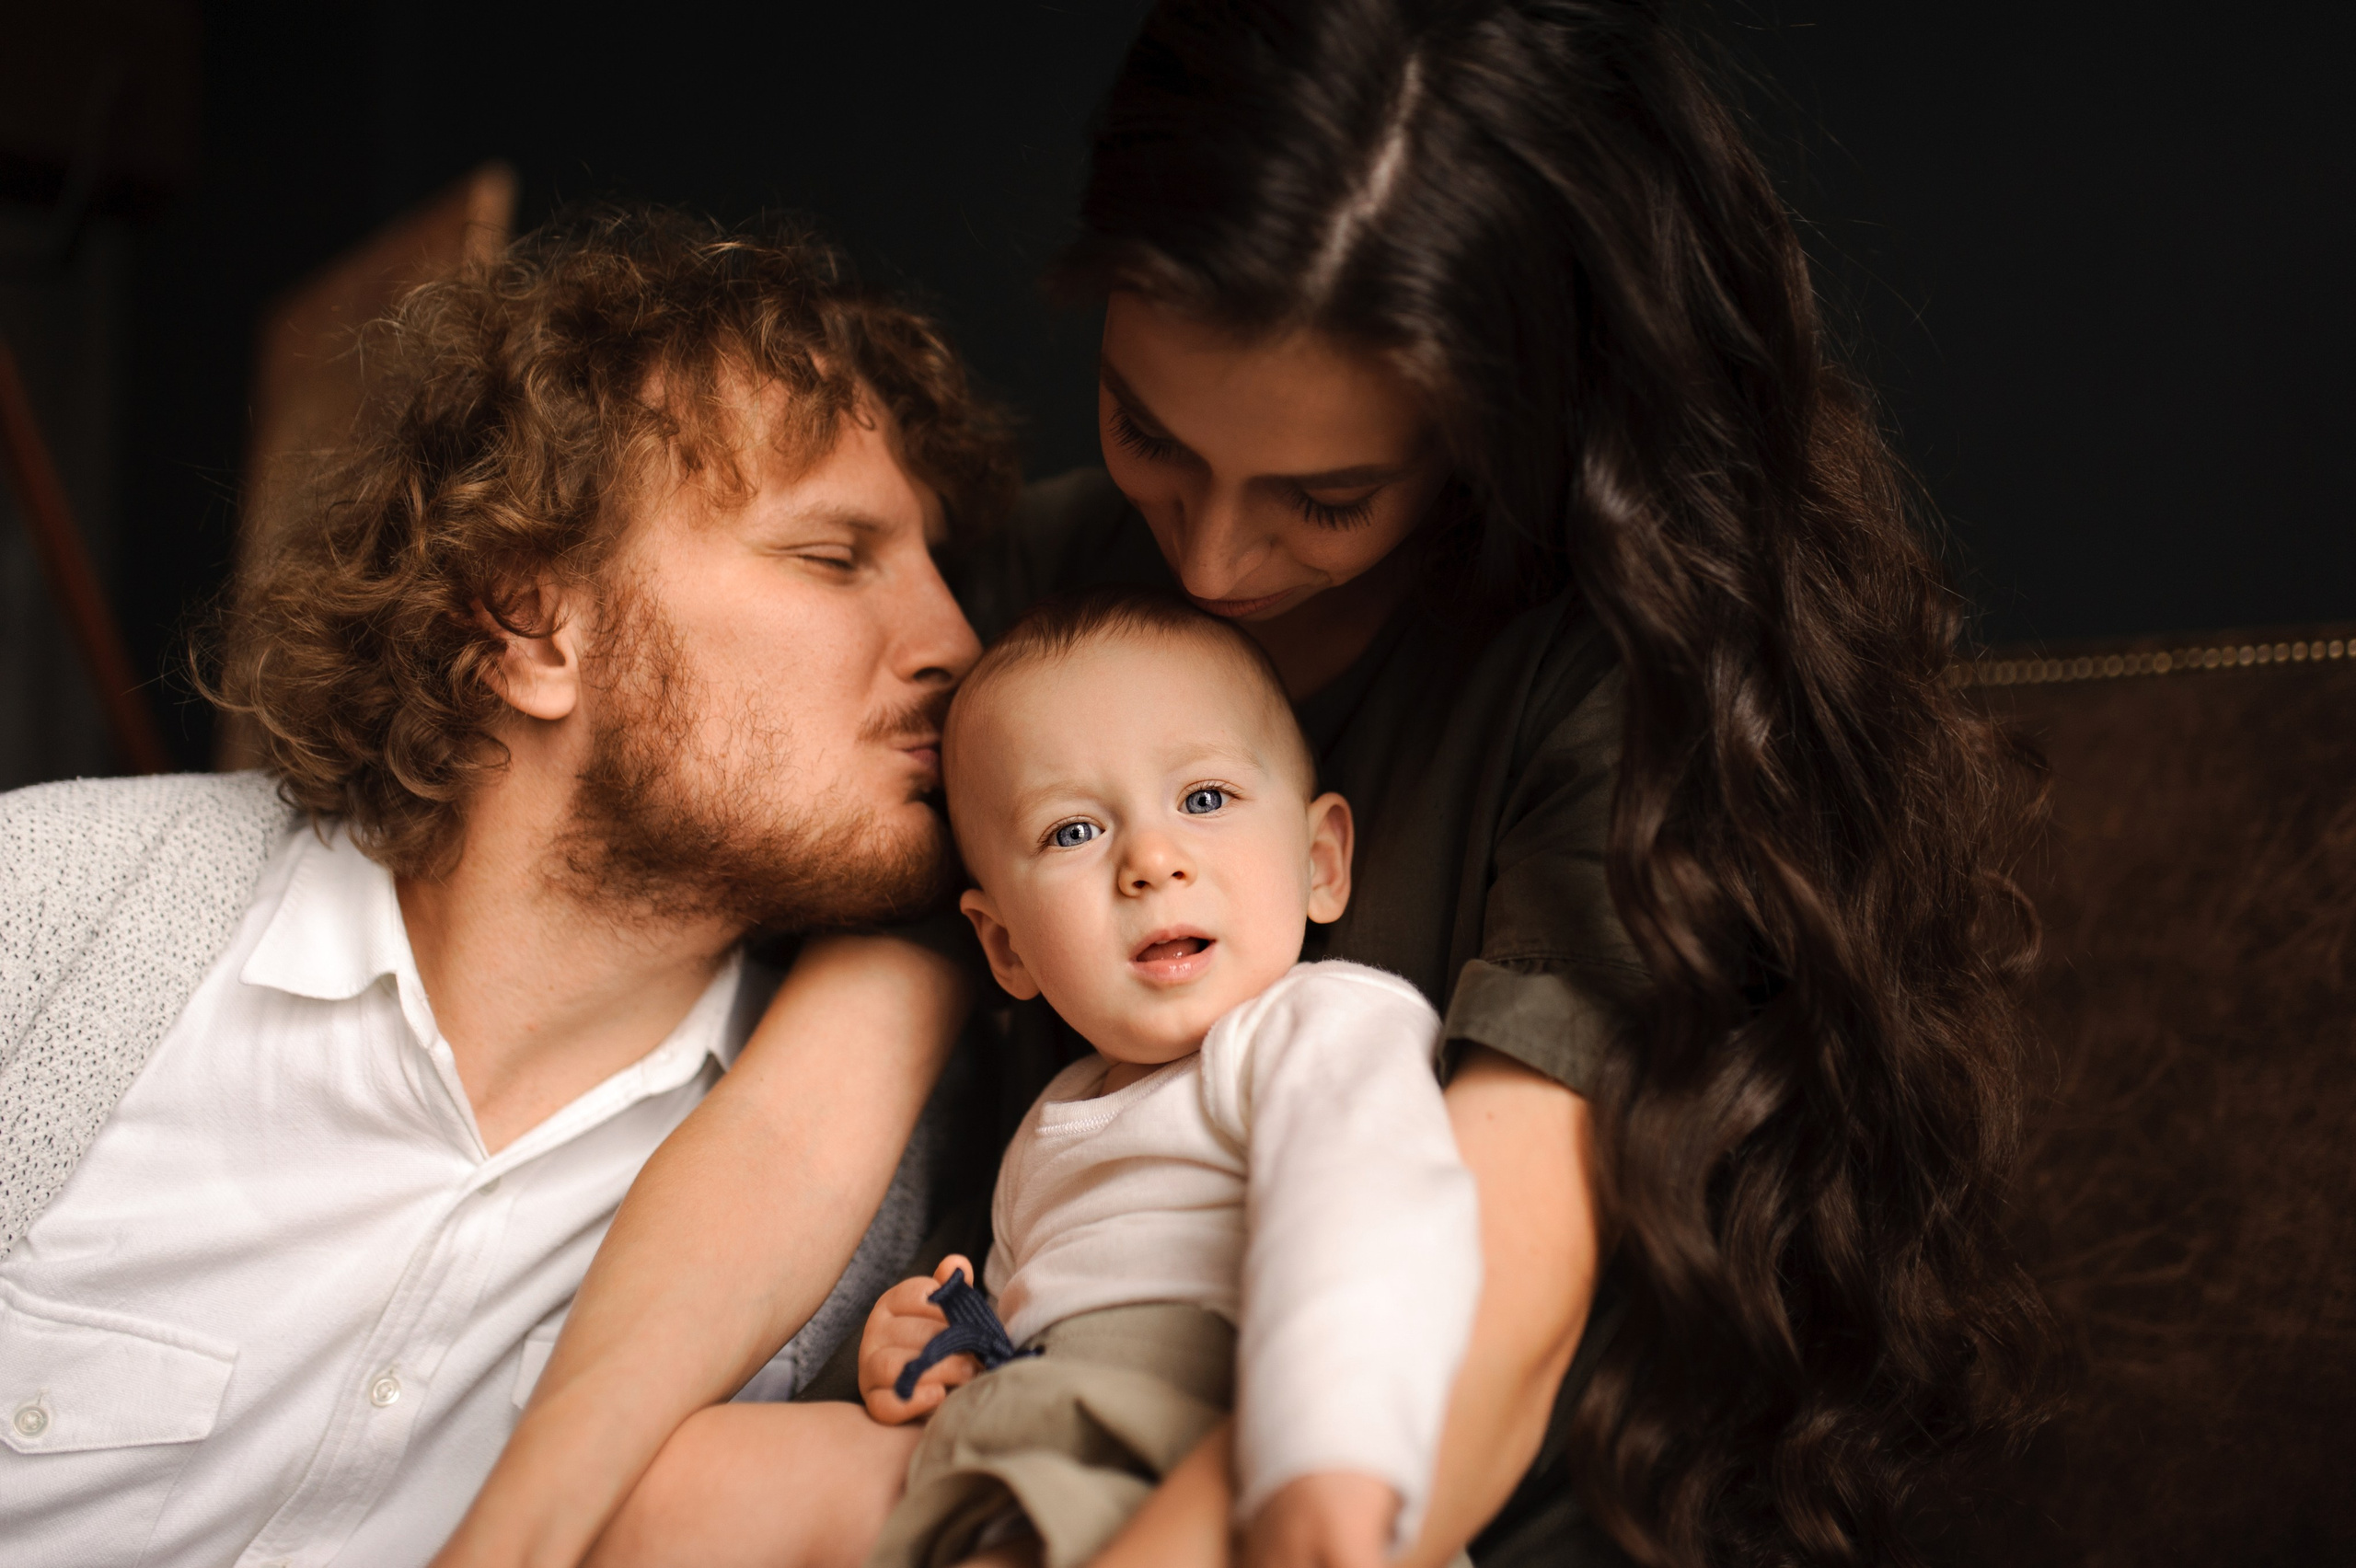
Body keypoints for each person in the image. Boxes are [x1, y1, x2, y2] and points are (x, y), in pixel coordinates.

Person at [445, 3, 2053, 1565]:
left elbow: (1485, 1287)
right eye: (1148, 431)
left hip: (1401, 1479)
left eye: (1328, 496)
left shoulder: (1621, 686)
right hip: (1039, 1415)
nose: (1208, 557)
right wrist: (521, 1525)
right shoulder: (1037, 595)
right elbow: (809, 1116)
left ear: (1496, 426)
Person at [0, 207, 1017, 1564]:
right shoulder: (48, 915)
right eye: (834, 559)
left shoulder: (901, 1200)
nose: (954, 641)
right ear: (537, 625)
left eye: (940, 568)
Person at [593, 588, 1484, 1568]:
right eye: (1072, 833)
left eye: (1203, 800)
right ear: (1005, 945)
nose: (1151, 860)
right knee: (675, 1492)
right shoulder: (1056, 1116)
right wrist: (931, 1348)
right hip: (1022, 1416)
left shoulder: (1316, 1022)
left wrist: (1331, 1461)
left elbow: (1365, 1212)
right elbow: (1026, 1305)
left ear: (1320, 861)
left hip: (1204, 1426)